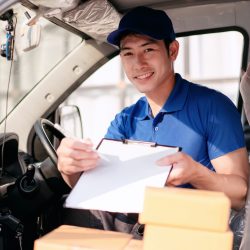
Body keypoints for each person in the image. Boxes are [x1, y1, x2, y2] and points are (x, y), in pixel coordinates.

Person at [56, 6, 249, 237]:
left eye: (148, 49)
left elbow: (240, 195)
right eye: (128, 53)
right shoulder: (126, 119)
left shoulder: (213, 107)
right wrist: (69, 168)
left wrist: (196, 174)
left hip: (190, 231)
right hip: (136, 229)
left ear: (172, 51)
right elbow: (98, 189)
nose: (138, 63)